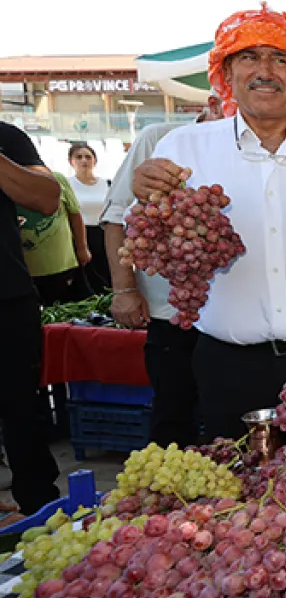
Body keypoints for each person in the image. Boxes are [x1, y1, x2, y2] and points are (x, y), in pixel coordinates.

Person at [130, 4, 286, 439]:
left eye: (281, 59)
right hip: (227, 367)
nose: (265, 71)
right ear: (227, 73)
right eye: (249, 57)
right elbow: (148, 239)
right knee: (236, 497)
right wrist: (142, 188)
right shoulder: (183, 147)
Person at [102, 120, 199, 447]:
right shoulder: (158, 139)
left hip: (232, 318)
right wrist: (124, 289)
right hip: (170, 315)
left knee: (225, 423)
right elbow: (116, 216)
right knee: (173, 417)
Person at [0, 121, 64, 515]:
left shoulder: (7, 138)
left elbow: (46, 198)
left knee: (22, 411)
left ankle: (40, 514)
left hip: (7, 299)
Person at [19, 171, 92, 306]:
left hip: (64, 264)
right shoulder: (8, 183)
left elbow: (75, 214)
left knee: (76, 310)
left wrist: (82, 247)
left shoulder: (56, 179)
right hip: (26, 270)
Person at [66, 142, 111, 292]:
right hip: (79, 237)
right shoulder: (67, 185)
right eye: (78, 157)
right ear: (71, 161)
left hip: (104, 235)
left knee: (107, 278)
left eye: (88, 157)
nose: (84, 160)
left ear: (94, 161)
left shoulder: (108, 184)